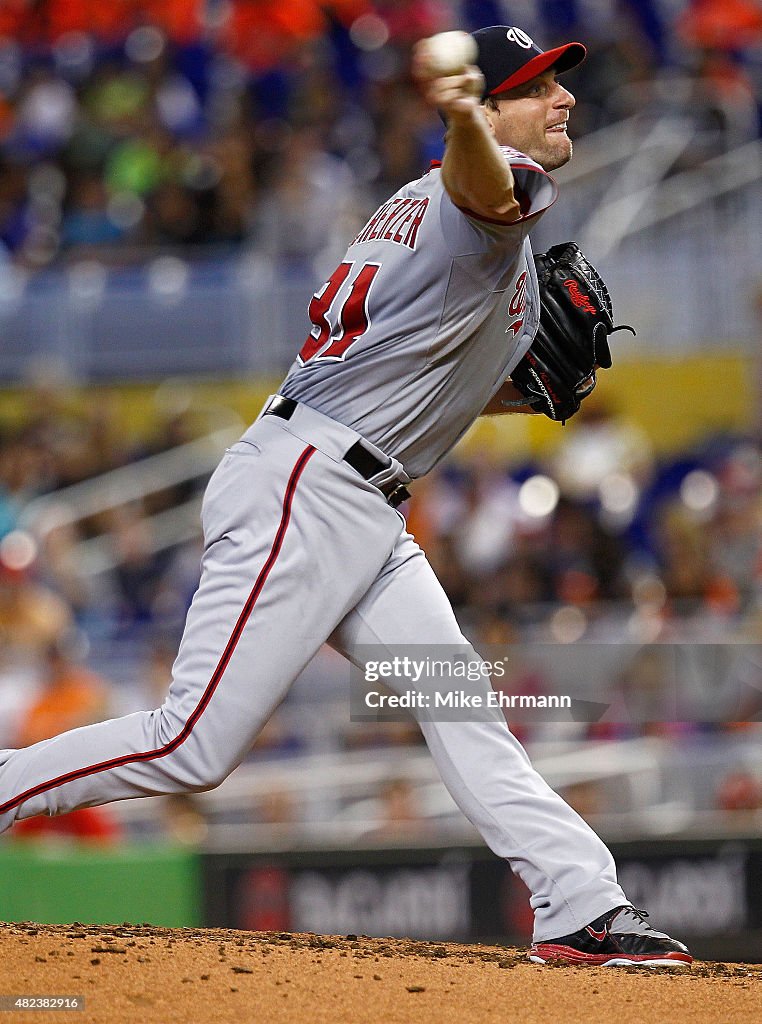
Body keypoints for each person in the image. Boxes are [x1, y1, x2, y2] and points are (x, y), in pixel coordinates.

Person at [0, 25, 691, 967]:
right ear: (483, 110)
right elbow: (481, 188)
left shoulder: (469, 223)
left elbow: (417, 375)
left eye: (559, 82)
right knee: (193, 744)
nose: (564, 97)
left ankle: (581, 904)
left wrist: (507, 388)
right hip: (309, 484)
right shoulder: (478, 194)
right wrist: (459, 117)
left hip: (361, 492)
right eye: (535, 88)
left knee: (458, 702)